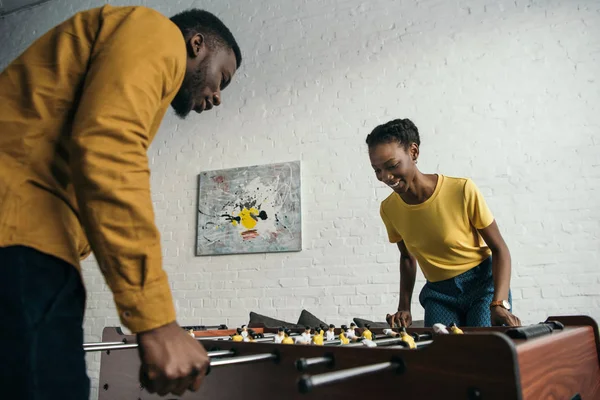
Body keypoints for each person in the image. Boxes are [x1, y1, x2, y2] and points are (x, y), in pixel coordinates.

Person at [0, 4, 242, 399]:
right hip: (19, 246)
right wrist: (158, 322)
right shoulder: (157, 32)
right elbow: (109, 149)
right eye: (222, 80)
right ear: (197, 44)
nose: (216, 97)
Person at [366, 119, 522, 329]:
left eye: (392, 166)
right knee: (443, 355)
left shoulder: (462, 190)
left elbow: (500, 249)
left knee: (482, 351)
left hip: (482, 286)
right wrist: (404, 307)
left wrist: (499, 303)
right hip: (439, 293)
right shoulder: (389, 208)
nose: (385, 177)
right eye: (377, 170)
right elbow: (406, 257)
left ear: (413, 152)